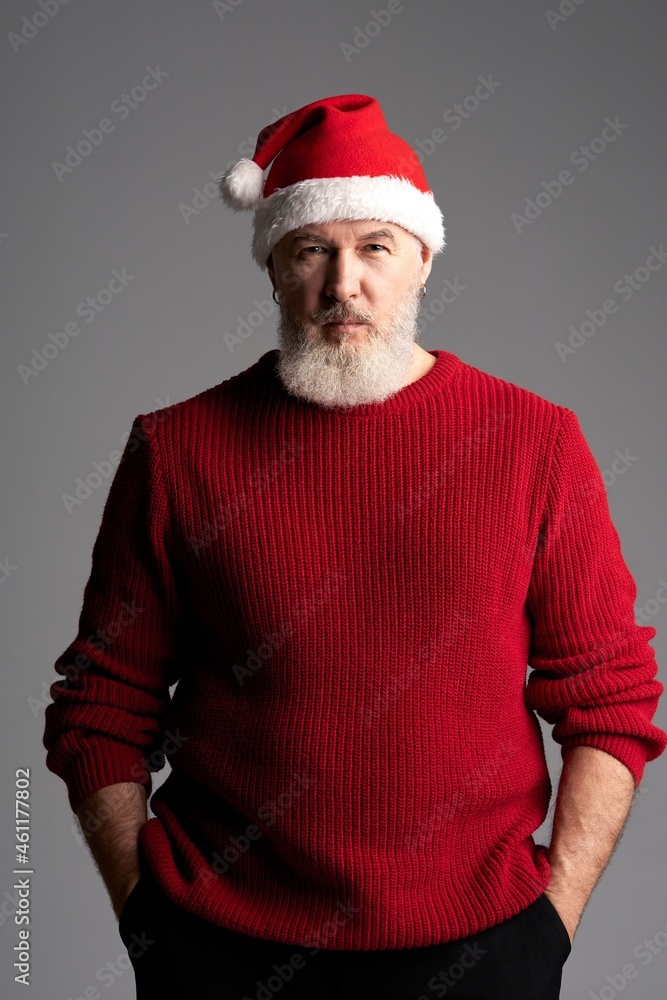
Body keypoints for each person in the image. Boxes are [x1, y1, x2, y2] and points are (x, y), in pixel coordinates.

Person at [43, 93, 667, 999]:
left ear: (422, 259)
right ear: (272, 269)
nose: (343, 284)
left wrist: (553, 919)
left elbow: (611, 697)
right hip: (219, 948)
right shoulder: (176, 450)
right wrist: (144, 915)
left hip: (480, 947)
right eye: (311, 250)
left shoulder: (535, 443)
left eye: (374, 246)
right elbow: (100, 701)